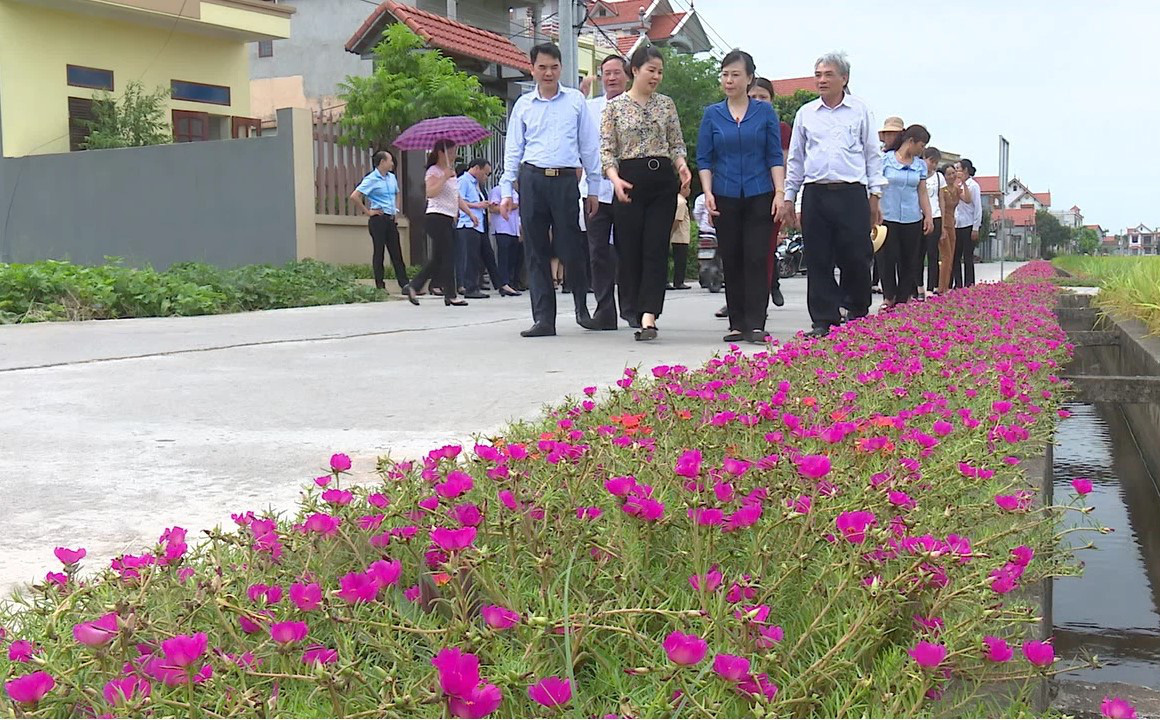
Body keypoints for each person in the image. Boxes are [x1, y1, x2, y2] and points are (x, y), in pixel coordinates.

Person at [780, 52, 886, 338]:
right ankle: (824, 318)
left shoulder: (860, 111)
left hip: (851, 192)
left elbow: (872, 154)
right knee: (818, 257)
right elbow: (797, 160)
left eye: (828, 74)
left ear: (844, 78)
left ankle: (856, 309)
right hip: (816, 192)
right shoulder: (805, 114)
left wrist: (875, 195)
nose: (822, 80)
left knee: (856, 254)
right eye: (818, 74)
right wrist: (790, 196)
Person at [499, 43, 601, 338]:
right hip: (532, 180)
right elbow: (513, 149)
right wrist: (507, 188)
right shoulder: (523, 105)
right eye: (542, 67)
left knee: (571, 248)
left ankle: (582, 310)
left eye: (553, 67)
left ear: (561, 68)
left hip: (566, 181)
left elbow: (589, 146)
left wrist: (593, 187)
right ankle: (544, 319)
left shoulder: (575, 101)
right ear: (532, 69)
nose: (548, 73)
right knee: (535, 250)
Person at [601, 45, 692, 342]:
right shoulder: (614, 108)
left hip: (662, 181)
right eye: (651, 70)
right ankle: (632, 307)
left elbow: (676, 143)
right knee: (630, 251)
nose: (656, 76)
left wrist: (681, 167)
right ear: (635, 70)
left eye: (660, 72)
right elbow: (607, 151)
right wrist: (615, 180)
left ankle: (649, 315)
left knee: (655, 248)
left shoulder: (666, 105)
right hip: (628, 182)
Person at [697, 49, 786, 344]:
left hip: (760, 193)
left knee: (756, 257)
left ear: (749, 78)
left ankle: (756, 322)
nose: (729, 80)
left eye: (736, 75)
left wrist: (780, 193)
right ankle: (737, 323)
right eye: (725, 74)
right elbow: (705, 158)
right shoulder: (713, 114)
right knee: (732, 258)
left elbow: (774, 155)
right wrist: (708, 193)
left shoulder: (764, 112)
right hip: (724, 194)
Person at [404, 140, 479, 307]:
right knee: (448, 257)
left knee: (439, 258)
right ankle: (450, 294)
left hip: (447, 219)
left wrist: (470, 214)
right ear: (441, 152)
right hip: (436, 217)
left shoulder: (451, 173)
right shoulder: (434, 171)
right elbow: (430, 193)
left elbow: (456, 197)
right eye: (451, 152)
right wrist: (444, 177)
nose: (454, 156)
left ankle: (414, 286)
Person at [586, 54, 630, 329]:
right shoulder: (588, 108)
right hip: (595, 190)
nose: (611, 78)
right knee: (597, 252)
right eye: (607, 73)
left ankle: (630, 308)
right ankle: (604, 311)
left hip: (627, 188)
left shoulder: (636, 107)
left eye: (617, 73)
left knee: (627, 251)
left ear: (627, 76)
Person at [878, 125, 933, 309]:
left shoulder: (920, 166)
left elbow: (922, 192)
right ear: (911, 141)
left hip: (911, 217)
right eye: (921, 145)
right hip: (888, 215)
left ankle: (904, 297)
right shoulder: (885, 161)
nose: (922, 149)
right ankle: (889, 296)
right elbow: (876, 188)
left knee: (909, 259)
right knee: (887, 257)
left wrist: (928, 216)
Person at [746, 77, 788, 309]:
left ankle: (765, 292)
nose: (758, 101)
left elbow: (784, 163)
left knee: (764, 249)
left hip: (771, 195)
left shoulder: (780, 129)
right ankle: (739, 302)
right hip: (738, 195)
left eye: (764, 97)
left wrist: (783, 196)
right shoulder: (734, 122)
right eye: (753, 97)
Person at [350, 150, 412, 300]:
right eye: (390, 160)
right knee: (379, 252)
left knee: (396, 252)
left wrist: (396, 211)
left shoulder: (391, 178)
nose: (392, 163)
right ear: (382, 162)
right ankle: (380, 284)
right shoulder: (371, 179)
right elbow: (355, 196)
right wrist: (368, 211)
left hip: (391, 219)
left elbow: (397, 193)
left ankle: (404, 284)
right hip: (378, 219)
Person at [456, 159, 500, 298]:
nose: (485, 177)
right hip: (468, 223)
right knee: (471, 257)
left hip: (478, 225)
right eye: (485, 173)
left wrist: (485, 204)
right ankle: (470, 287)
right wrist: (477, 206)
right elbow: (459, 200)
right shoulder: (463, 181)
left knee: (479, 257)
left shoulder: (475, 184)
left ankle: (483, 285)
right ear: (476, 168)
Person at [952, 158, 982, 287]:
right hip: (957, 224)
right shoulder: (955, 185)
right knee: (955, 256)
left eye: (958, 169)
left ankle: (969, 283)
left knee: (967, 256)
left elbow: (977, 207)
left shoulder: (973, 186)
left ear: (965, 170)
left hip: (968, 224)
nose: (956, 172)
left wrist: (976, 227)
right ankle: (957, 283)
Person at [488, 184, 523, 297]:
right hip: (502, 228)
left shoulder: (515, 193)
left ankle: (512, 282)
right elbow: (493, 208)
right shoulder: (498, 190)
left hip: (514, 229)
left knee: (513, 258)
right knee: (504, 257)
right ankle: (504, 283)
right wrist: (511, 206)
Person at [919, 147, 945, 299]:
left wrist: (943, 219)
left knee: (933, 253)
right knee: (918, 253)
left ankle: (932, 286)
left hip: (935, 215)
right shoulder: (918, 174)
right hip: (920, 215)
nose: (933, 165)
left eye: (936, 163)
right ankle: (919, 286)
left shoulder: (939, 178)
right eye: (931, 162)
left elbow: (941, 198)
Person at [938, 163, 960, 293]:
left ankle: (946, 286)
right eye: (948, 174)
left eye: (953, 173)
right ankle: (942, 288)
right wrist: (942, 228)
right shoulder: (943, 190)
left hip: (952, 224)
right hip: (944, 224)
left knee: (951, 256)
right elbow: (941, 208)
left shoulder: (956, 189)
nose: (952, 176)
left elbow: (968, 200)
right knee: (946, 256)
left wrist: (962, 181)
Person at [668, 189, 691, 290]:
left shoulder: (678, 200)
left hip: (678, 236)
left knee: (677, 259)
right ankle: (679, 281)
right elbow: (678, 219)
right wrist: (671, 232)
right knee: (680, 260)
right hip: (680, 236)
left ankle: (677, 281)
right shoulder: (681, 202)